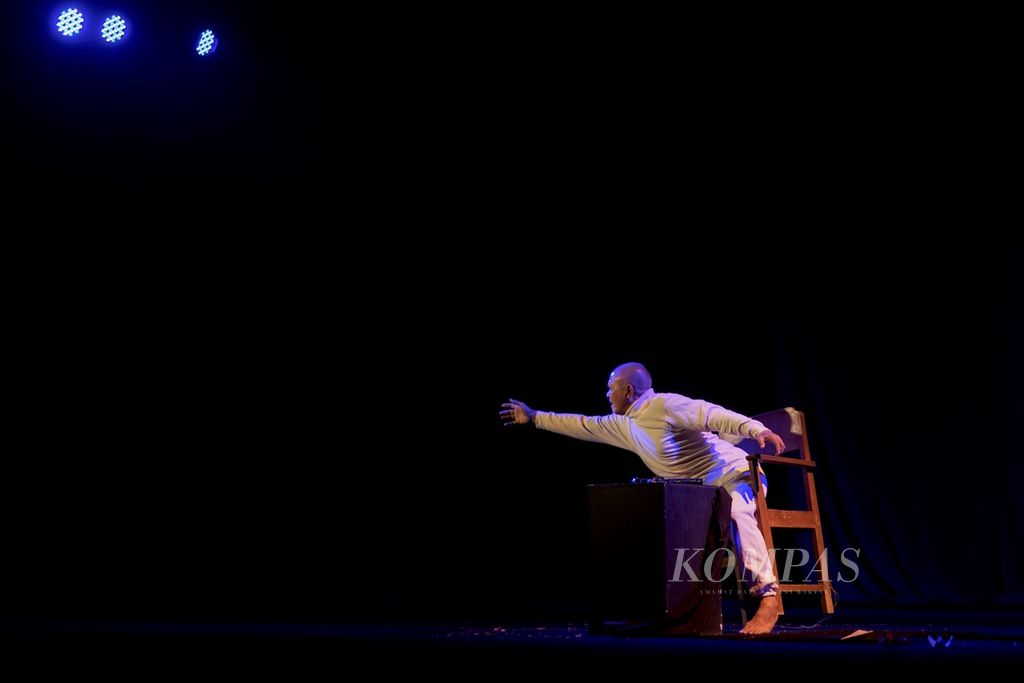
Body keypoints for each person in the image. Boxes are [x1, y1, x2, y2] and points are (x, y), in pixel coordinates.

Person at [500, 362, 785, 635]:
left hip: (734, 474)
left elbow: (711, 414)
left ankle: (768, 597)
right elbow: (583, 424)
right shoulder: (623, 424)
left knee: (738, 513)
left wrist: (756, 429)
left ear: (628, 391)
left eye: (611, 387)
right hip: (698, 495)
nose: (606, 393)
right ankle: (671, 610)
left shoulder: (665, 405)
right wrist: (535, 416)